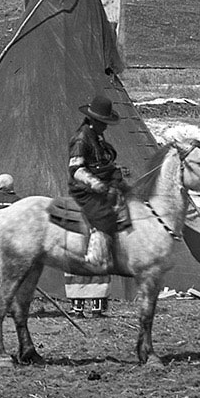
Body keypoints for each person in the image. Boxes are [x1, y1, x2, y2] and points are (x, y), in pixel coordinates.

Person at [66, 97, 132, 271]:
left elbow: (102, 162)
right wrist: (95, 183)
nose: (106, 126)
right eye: (103, 122)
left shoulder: (98, 136)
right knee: (103, 214)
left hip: (106, 183)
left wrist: (116, 171)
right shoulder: (81, 139)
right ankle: (95, 256)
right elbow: (76, 170)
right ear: (94, 120)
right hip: (86, 189)